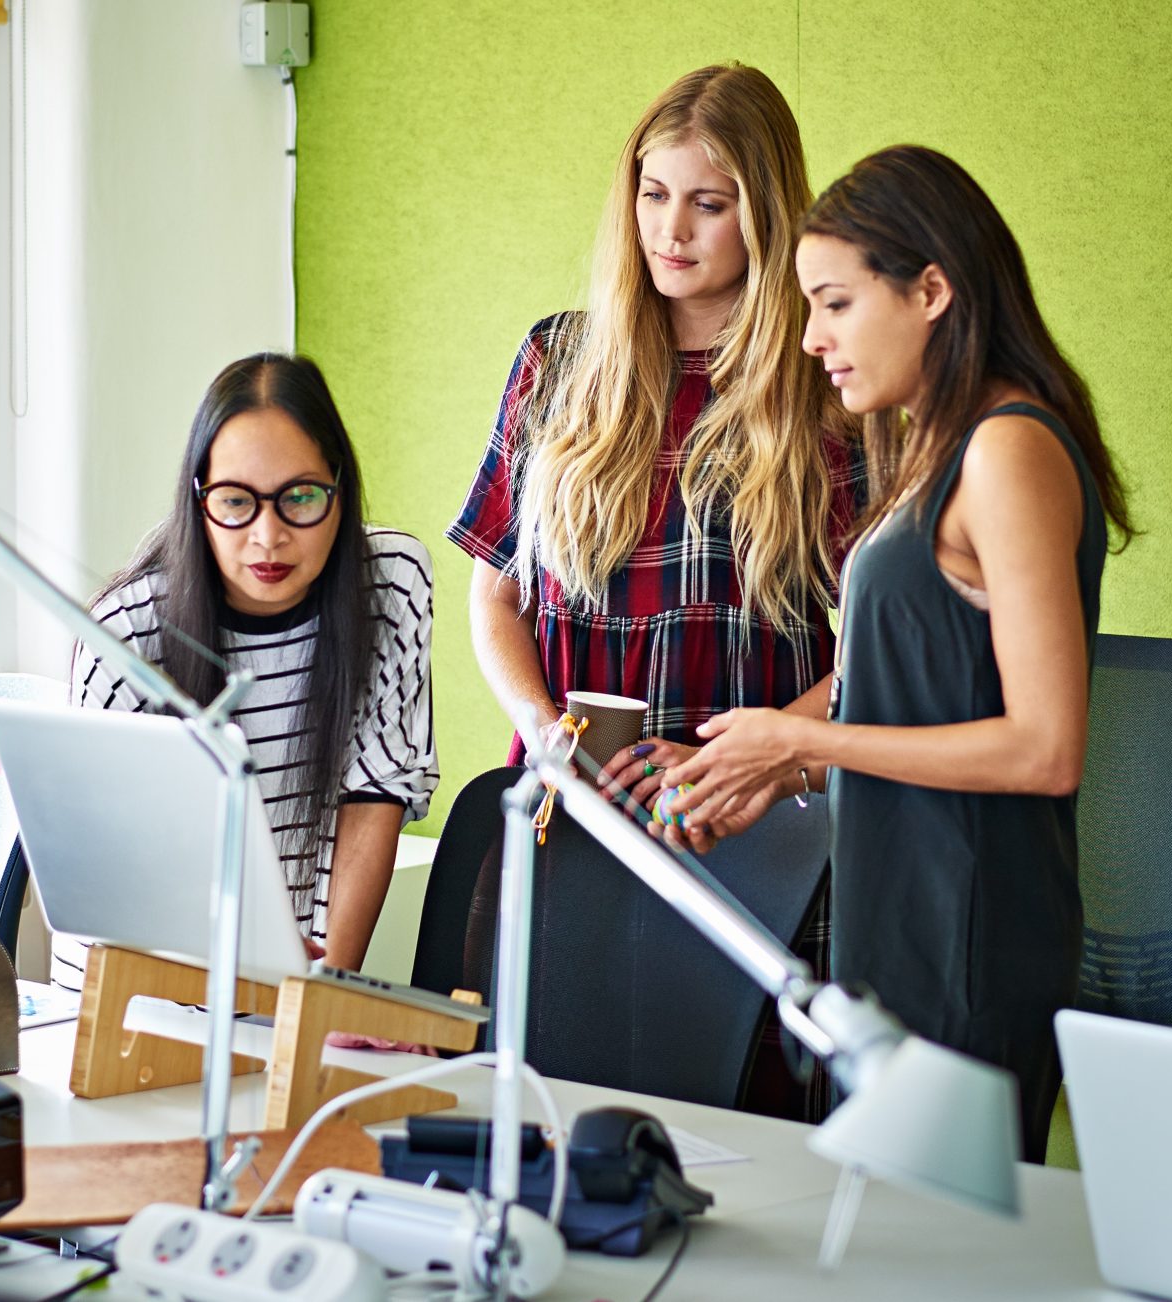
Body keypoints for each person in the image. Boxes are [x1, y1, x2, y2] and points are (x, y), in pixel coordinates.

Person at [660, 146, 1137, 1162]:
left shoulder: (1006, 450)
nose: (809, 339)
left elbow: (1045, 747)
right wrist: (777, 754)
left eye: (833, 303)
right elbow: (904, 668)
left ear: (930, 289)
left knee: (935, 1254)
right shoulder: (931, 442)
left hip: (965, 928)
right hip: (897, 918)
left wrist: (805, 744)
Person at [446, 64, 862, 1119]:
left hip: (742, 822)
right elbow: (493, 594)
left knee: (736, 1136)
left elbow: (872, 652)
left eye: (708, 203)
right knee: (541, 1122)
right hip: (566, 811)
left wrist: (761, 757)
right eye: (652, 193)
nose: (670, 230)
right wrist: (541, 728)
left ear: (762, 214)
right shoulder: (557, 359)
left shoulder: (825, 385)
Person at [69, 354, 436, 977]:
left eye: (300, 497)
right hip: (137, 993)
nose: (268, 536)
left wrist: (324, 995)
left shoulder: (391, 587)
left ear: (339, 492)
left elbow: (375, 798)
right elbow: (110, 867)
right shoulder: (127, 631)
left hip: (289, 986)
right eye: (236, 502)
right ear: (200, 498)